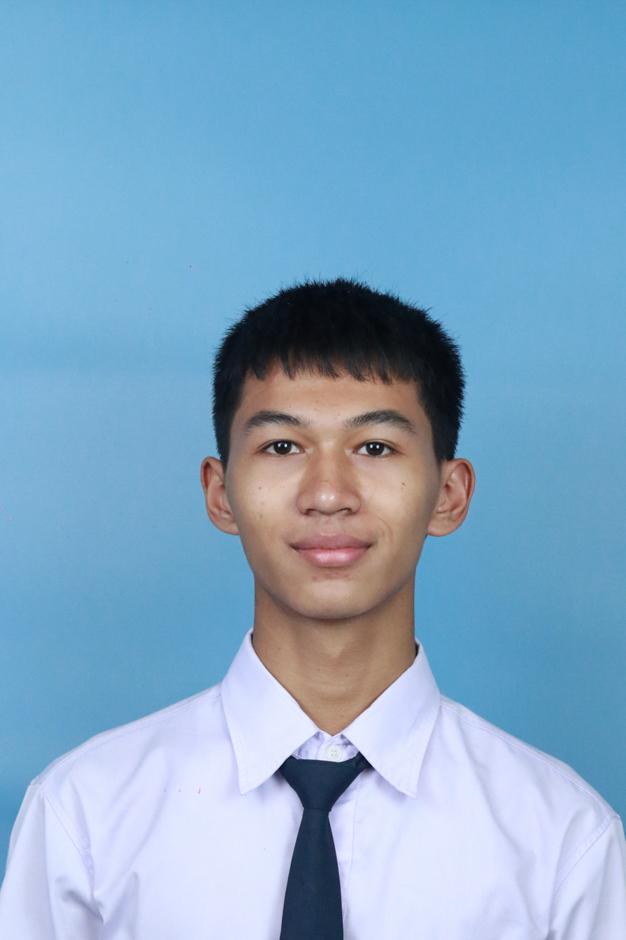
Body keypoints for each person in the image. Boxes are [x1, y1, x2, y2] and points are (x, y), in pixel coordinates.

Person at [0, 278, 624, 939]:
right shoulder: (85, 816)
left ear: (449, 494)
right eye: (283, 447)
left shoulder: (562, 841)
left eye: (375, 447)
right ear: (220, 492)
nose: (328, 494)